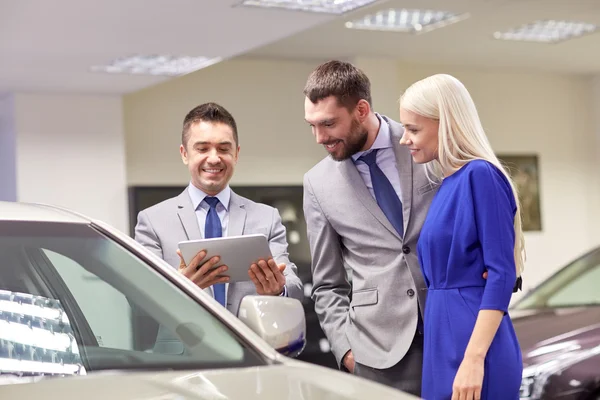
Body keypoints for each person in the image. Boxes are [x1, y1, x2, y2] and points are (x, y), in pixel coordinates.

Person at [302, 60, 437, 396]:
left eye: (329, 124)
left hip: (450, 328)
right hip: (377, 354)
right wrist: (346, 351)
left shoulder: (423, 143)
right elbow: (327, 283)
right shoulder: (317, 184)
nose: (320, 137)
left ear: (361, 109)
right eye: (312, 125)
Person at [398, 74, 524, 399]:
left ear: (447, 124)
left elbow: (501, 272)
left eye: (413, 129)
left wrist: (473, 359)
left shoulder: (480, 175)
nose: (404, 139)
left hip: (474, 345)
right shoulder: (448, 184)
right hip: (443, 337)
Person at [135, 102, 303, 317]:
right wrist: (178, 288)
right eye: (202, 148)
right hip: (185, 348)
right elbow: (140, 298)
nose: (214, 158)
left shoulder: (266, 218)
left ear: (236, 154)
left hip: (251, 346)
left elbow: (295, 288)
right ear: (184, 153)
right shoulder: (152, 221)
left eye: (224, 149)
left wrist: (279, 290)